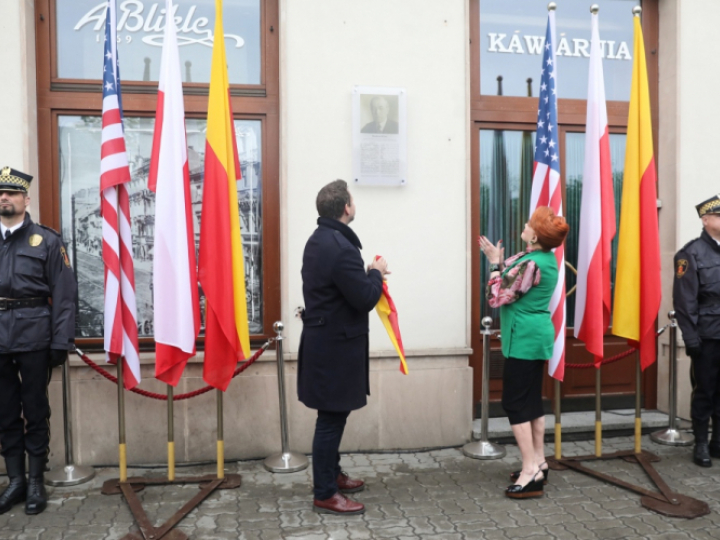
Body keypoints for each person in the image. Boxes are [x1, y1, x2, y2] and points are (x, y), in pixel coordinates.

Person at [298, 179, 389, 515]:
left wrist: (364, 275)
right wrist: (376, 273)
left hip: (327, 343)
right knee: (331, 419)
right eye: (353, 199)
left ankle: (332, 475)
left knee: (332, 415)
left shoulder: (319, 240)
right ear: (346, 207)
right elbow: (365, 298)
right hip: (335, 348)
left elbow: (341, 288)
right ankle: (325, 492)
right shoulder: (339, 247)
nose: (354, 203)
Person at [0, 167, 77, 515]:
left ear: (26, 199)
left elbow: (64, 294)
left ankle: (35, 481)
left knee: (35, 410)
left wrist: (61, 340)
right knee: (4, 412)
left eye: (12, 193)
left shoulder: (46, 240)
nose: (5, 198)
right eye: (1, 193)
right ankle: (14, 480)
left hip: (34, 337)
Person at [478, 206, 569, 499]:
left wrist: (494, 264)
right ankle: (539, 462)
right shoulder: (540, 257)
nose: (525, 225)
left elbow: (497, 296)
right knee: (529, 401)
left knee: (514, 403)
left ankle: (529, 470)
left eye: (530, 224)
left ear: (536, 237)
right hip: (532, 336)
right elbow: (513, 278)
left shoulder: (533, 263)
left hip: (525, 339)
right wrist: (498, 260)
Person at [673, 194, 720, 468]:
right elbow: (684, 300)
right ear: (705, 220)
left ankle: (718, 442)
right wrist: (690, 337)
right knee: (705, 390)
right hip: (707, 334)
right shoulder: (690, 254)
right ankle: (701, 442)